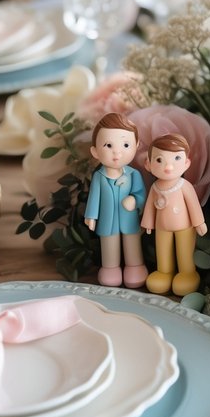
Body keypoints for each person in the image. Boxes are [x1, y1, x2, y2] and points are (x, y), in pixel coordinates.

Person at [140, 132, 207, 296]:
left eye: (176, 159)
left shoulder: (185, 186)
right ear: (148, 164)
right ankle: (164, 272)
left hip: (185, 227)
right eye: (159, 160)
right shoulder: (155, 187)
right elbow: (150, 207)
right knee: (162, 251)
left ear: (186, 163)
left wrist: (199, 223)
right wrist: (148, 224)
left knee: (185, 252)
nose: (168, 166)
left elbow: (194, 205)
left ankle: (187, 272)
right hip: (161, 227)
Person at [85, 112, 147, 288]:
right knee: (109, 244)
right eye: (108, 145)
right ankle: (110, 268)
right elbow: (94, 197)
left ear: (136, 146)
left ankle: (135, 266)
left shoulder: (134, 174)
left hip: (129, 219)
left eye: (125, 144)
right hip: (107, 220)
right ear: (95, 151)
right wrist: (91, 216)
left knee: (132, 242)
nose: (117, 152)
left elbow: (142, 194)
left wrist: (134, 200)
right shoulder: (99, 176)